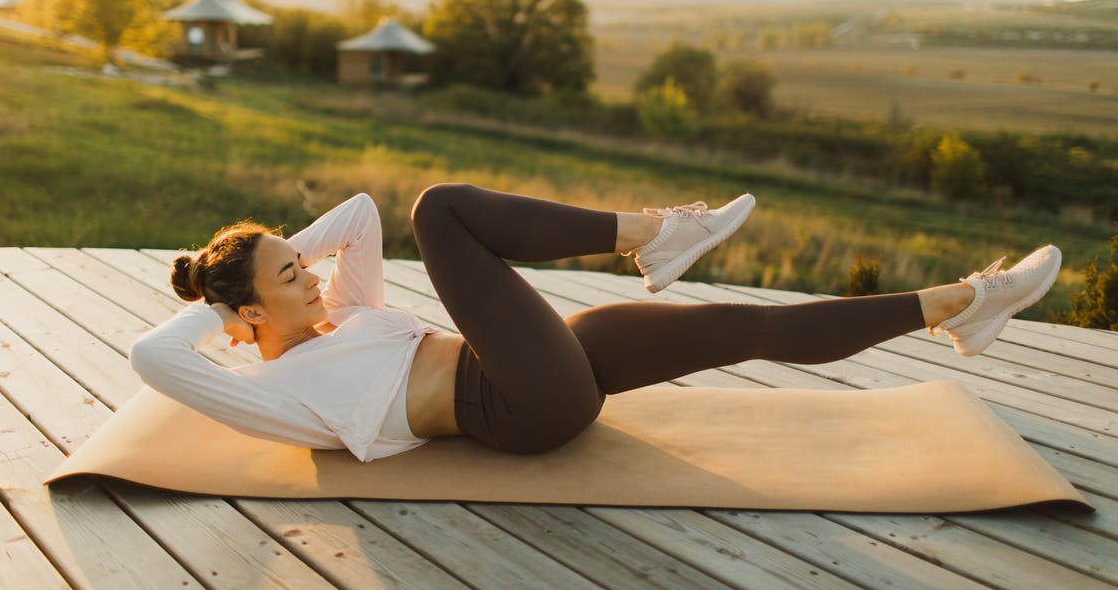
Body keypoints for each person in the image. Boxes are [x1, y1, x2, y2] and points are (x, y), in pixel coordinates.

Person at [129, 184, 1062, 462]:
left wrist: (269, 263)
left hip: (541, 371)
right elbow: (153, 356)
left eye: (304, 262)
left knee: (744, 326)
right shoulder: (271, 394)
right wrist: (230, 309)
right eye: (294, 276)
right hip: (516, 409)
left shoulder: (347, 316)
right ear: (247, 313)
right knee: (439, 212)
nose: (315, 273)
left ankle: (966, 307)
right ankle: (656, 235)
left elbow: (358, 214)